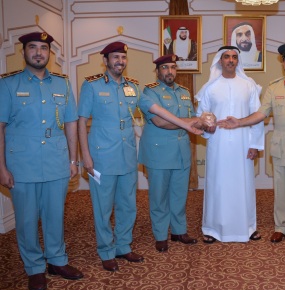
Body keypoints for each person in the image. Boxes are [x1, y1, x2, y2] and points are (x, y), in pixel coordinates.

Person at [78, 42, 201, 272]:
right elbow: (81, 121)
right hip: (101, 157)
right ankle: (106, 250)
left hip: (127, 156)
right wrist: (84, 155)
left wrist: (188, 123)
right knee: (103, 208)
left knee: (127, 205)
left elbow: (155, 109)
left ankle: (123, 246)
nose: (119, 62)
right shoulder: (92, 85)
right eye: (115, 57)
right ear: (105, 60)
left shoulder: (133, 88)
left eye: (123, 58)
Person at [218, 43, 285, 247]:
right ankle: (281, 227)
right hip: (281, 146)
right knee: (281, 190)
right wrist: (239, 122)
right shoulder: (274, 87)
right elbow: (261, 114)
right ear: (283, 63)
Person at [0, 31, 83, 290]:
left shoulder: (62, 83)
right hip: (22, 165)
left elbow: (70, 123)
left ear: (50, 53)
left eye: (44, 48)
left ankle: (57, 260)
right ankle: (34, 267)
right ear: (23, 51)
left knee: (55, 216)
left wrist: (73, 160)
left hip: (56, 162)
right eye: (33, 47)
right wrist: (0, 167)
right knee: (26, 220)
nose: (39, 53)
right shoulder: (8, 85)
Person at [195, 45, 264, 243]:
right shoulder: (210, 87)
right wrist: (207, 125)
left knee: (244, 184)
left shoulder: (249, 85)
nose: (231, 60)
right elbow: (202, 116)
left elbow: (256, 116)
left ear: (238, 61)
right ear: (220, 60)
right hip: (218, 144)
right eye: (227, 57)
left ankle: (248, 227)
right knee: (218, 185)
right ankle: (212, 228)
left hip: (243, 144)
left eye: (234, 57)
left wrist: (255, 145)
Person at [138, 54, 201, 252]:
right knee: (159, 196)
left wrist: (198, 121)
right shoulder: (150, 92)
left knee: (179, 194)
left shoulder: (184, 92)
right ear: (158, 71)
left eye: (173, 68)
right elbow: (160, 122)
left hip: (181, 151)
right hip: (159, 152)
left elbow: (193, 118)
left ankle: (178, 230)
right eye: (165, 68)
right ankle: (160, 234)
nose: (169, 72)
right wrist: (191, 122)